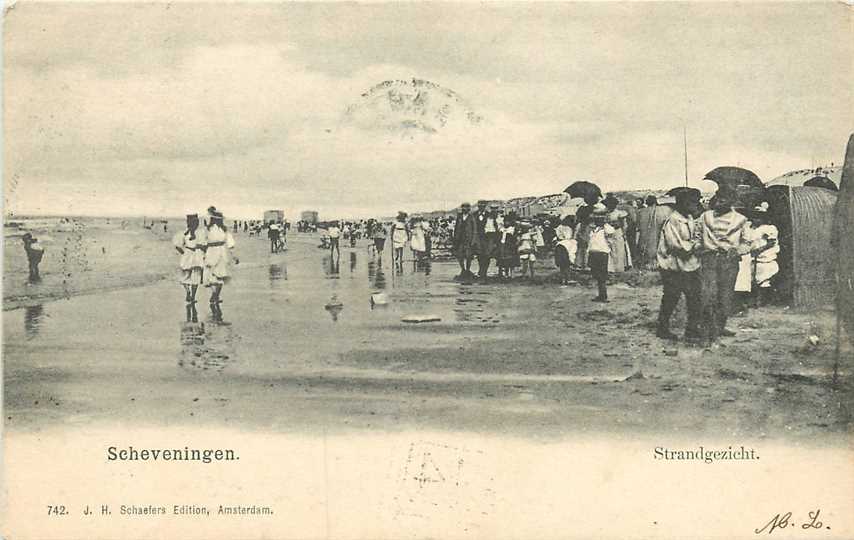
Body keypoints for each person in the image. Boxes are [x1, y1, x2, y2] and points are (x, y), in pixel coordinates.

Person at [697, 187, 752, 344]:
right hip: (709, 260)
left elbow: (747, 243)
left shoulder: (741, 220)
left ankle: (720, 327)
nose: (719, 202)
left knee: (725, 296)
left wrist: (737, 251)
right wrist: (700, 248)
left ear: (732, 201)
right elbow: (697, 235)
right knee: (708, 296)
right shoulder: (705, 216)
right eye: (718, 198)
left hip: (729, 261)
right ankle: (707, 334)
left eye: (724, 199)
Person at [655, 189, 702, 341]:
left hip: (690, 264)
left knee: (694, 297)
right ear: (682, 203)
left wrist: (695, 244)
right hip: (673, 265)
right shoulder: (673, 220)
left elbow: (697, 237)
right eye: (691, 202)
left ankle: (692, 329)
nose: (695, 205)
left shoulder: (690, 218)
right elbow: (675, 245)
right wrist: (693, 246)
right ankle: (662, 328)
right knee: (671, 297)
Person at [204, 210, 238, 317]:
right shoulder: (213, 230)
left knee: (217, 275)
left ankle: (215, 295)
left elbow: (230, 244)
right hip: (216, 252)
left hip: (216, 252)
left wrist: (234, 256)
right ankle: (215, 295)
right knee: (217, 276)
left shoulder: (213, 230)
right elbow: (230, 245)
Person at [749, 203, 779, 306]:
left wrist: (760, 249)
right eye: (754, 216)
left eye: (758, 217)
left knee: (764, 279)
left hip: (765, 257)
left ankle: (764, 300)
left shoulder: (768, 228)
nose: (755, 219)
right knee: (753, 278)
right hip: (753, 257)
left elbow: (771, 242)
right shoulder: (752, 228)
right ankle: (755, 299)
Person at [173, 213, 207, 305]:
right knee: (196, 277)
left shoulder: (184, 233)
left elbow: (177, 246)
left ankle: (188, 292)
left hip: (188, 255)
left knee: (185, 276)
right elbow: (205, 246)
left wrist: (184, 253)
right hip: (197, 255)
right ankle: (192, 296)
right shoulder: (200, 233)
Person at [637, 195, 672, 270]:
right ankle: (657, 264)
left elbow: (638, 225)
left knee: (646, 248)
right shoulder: (663, 210)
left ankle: (647, 264)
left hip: (645, 236)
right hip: (657, 234)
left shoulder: (641, 212)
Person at [587, 205, 614, 302]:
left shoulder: (605, 229)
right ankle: (601, 295)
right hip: (594, 253)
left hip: (602, 253)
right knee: (596, 275)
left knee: (602, 276)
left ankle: (603, 296)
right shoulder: (594, 230)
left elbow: (610, 231)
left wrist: (605, 223)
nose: (597, 221)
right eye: (596, 219)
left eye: (599, 219)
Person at [603, 194, 630, 272]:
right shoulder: (605, 213)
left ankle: (618, 267)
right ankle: (610, 268)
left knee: (618, 249)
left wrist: (624, 233)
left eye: (611, 205)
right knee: (609, 249)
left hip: (617, 232)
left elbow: (624, 224)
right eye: (608, 205)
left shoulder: (619, 213)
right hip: (608, 233)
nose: (609, 206)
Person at [475, 202, 500, 279]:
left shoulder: (489, 215)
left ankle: (484, 271)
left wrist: (495, 238)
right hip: (478, 238)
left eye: (483, 206)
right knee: (479, 254)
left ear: (485, 206)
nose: (481, 207)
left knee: (487, 255)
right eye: (480, 206)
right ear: (478, 206)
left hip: (488, 238)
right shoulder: (474, 214)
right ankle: (481, 270)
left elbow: (494, 226)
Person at [453, 202, 478, 279]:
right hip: (460, 239)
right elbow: (456, 228)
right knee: (459, 255)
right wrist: (455, 238)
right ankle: (463, 269)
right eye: (463, 207)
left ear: (469, 209)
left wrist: (473, 240)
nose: (464, 209)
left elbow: (474, 229)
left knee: (468, 256)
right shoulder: (459, 217)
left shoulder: (471, 217)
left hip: (468, 239)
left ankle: (467, 270)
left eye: (466, 208)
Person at [497, 212, 519, 279]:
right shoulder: (501, 229)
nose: (506, 223)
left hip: (509, 246)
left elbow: (514, 238)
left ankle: (511, 273)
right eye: (505, 221)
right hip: (502, 245)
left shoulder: (512, 229)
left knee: (511, 260)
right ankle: (503, 273)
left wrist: (514, 244)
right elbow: (499, 237)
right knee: (503, 260)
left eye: (508, 221)